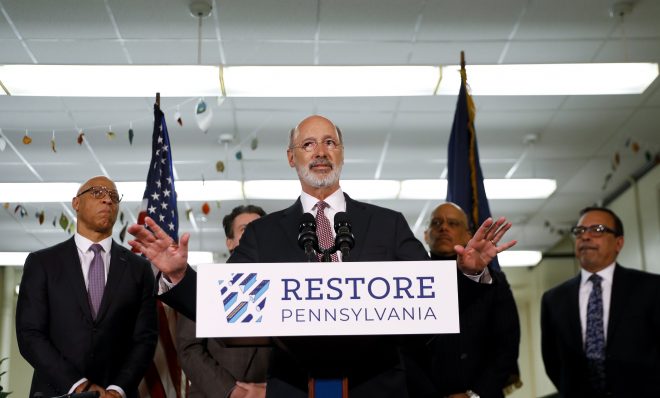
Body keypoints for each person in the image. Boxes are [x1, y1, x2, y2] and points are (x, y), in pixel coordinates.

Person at [128, 115, 514, 398]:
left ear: (342, 153)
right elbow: (227, 304)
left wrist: (466, 275)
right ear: (291, 157)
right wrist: (180, 276)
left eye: (330, 142)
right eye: (308, 144)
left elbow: (430, 298)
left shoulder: (388, 225)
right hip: (294, 386)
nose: (320, 152)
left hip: (379, 385)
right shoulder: (263, 234)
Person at [16, 176, 158, 398]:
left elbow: (144, 339)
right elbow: (30, 335)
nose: (107, 201)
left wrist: (117, 390)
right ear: (76, 203)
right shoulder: (42, 263)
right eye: (98, 193)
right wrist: (81, 386)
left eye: (113, 196)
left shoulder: (139, 269)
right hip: (57, 392)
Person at [541, 206, 660, 397]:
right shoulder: (554, 299)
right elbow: (553, 363)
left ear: (618, 243)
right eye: (579, 231)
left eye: (597, 230)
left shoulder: (651, 289)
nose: (585, 237)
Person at [420, 202, 520, 398]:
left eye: (453, 223)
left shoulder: (493, 282)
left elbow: (506, 346)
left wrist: (475, 394)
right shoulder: (412, 281)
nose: (443, 227)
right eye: (436, 222)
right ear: (426, 235)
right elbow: (404, 351)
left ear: (468, 235)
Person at [176, 205, 270, 398]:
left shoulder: (284, 283)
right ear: (229, 242)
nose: (253, 233)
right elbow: (189, 348)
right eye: (245, 229)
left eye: (259, 228)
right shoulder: (205, 282)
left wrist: (270, 391)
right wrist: (231, 391)